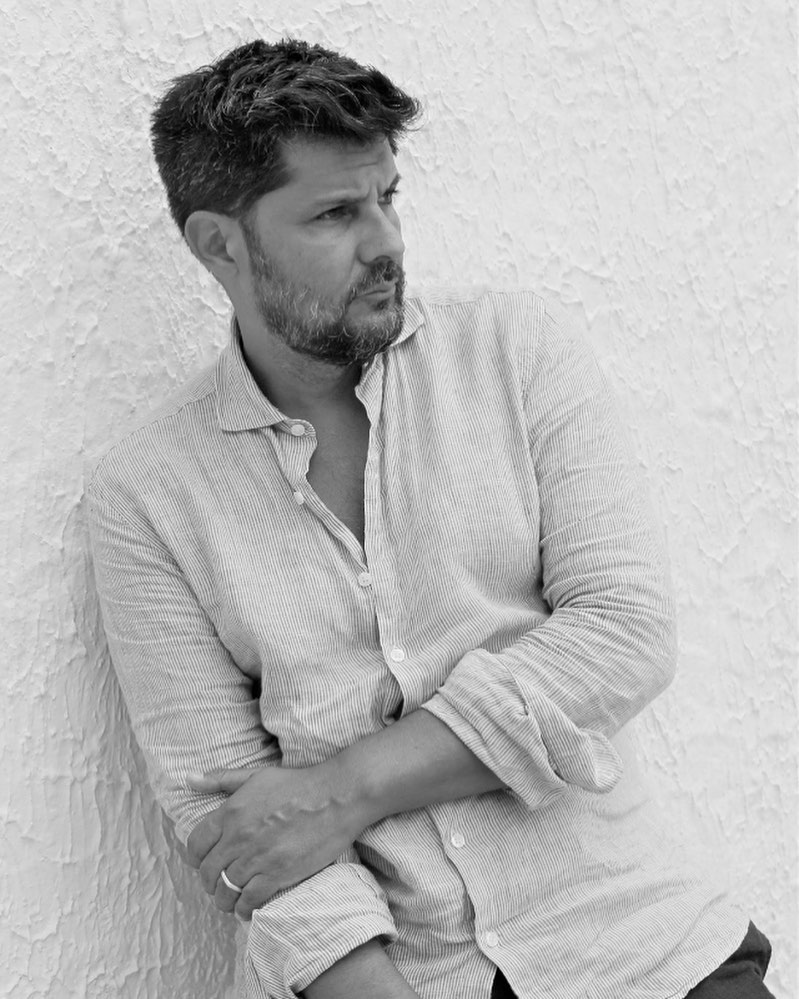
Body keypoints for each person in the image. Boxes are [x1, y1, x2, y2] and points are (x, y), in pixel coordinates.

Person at [87, 37, 774, 999]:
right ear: (218, 244)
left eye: (388, 197)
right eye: (336, 213)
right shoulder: (146, 494)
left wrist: (342, 788)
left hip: (640, 950)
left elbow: (621, 634)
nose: (385, 243)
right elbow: (229, 813)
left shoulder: (515, 351)